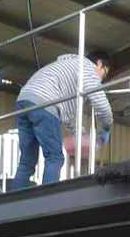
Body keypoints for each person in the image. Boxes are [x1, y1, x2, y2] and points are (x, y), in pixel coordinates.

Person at [13, 51, 114, 189]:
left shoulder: (66, 66)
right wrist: (107, 126)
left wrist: (83, 135)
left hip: (23, 100)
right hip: (45, 102)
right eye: (104, 73)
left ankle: (15, 198)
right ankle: (46, 198)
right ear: (99, 63)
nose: (101, 79)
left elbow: (69, 115)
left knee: (27, 161)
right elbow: (101, 103)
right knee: (55, 157)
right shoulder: (87, 67)